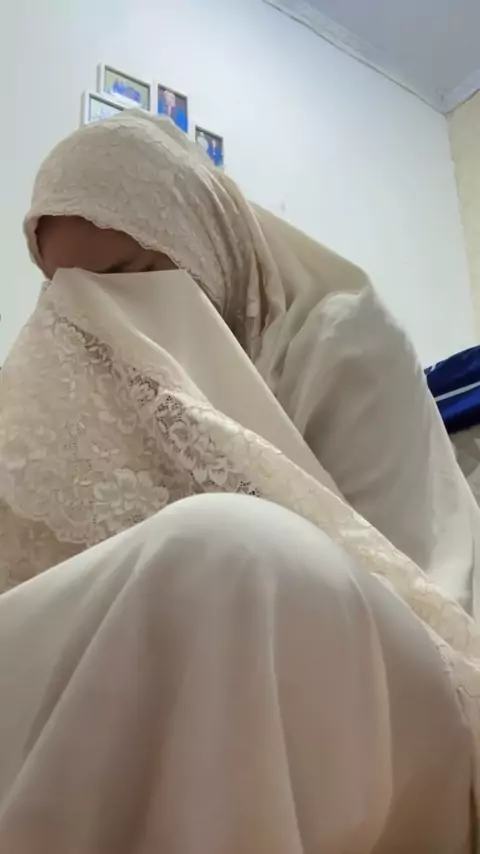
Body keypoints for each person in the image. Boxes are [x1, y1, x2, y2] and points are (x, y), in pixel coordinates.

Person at [0, 111, 478, 852]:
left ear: (195, 232)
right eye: (74, 293)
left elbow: (408, 578)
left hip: (412, 689)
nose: (105, 314)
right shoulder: (96, 373)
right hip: (235, 663)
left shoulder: (340, 336)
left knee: (227, 552)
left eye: (128, 276)